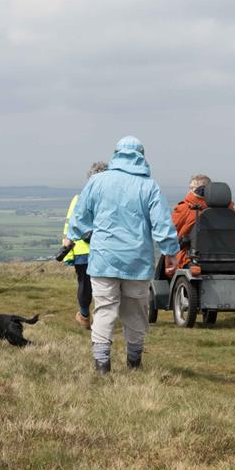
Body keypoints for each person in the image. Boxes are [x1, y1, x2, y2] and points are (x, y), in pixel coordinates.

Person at [68, 136, 177, 374]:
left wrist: (72, 236)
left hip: (103, 259)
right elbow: (162, 224)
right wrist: (170, 252)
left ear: (116, 154)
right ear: (141, 155)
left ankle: (102, 365)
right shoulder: (149, 186)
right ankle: (134, 363)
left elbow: (80, 218)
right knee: (135, 311)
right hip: (137, 261)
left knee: (105, 309)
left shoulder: (97, 181)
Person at [62, 161, 109, 328]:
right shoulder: (111, 199)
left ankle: (84, 316)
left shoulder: (79, 198)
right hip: (105, 249)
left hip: (81, 249)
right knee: (105, 285)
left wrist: (67, 251)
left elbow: (70, 225)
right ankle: (102, 318)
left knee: (84, 283)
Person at [169, 174, 235, 274]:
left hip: (192, 259)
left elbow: (170, 232)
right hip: (231, 259)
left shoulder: (185, 208)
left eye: (192, 188)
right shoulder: (230, 211)